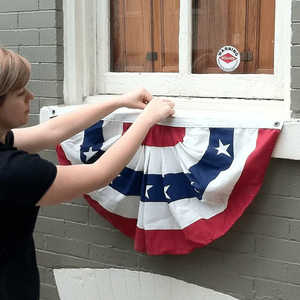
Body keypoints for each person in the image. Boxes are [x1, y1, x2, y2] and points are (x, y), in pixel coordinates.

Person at [0, 47, 175, 300]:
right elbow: (100, 173)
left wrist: (118, 101)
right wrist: (147, 119)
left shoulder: (6, 145)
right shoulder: (12, 171)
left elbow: (52, 131)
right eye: (20, 93)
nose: (31, 95)